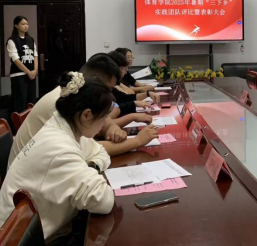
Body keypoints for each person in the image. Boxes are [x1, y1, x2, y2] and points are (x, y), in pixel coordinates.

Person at [0, 73, 115, 246]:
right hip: (17, 244)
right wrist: (89, 171)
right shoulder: (59, 147)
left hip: (33, 235)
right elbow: (103, 200)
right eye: (104, 117)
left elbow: (100, 152)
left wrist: (91, 167)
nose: (105, 123)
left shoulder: (65, 126)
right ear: (86, 115)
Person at [9, 54, 158, 165]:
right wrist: (137, 141)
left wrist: (112, 129)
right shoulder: (63, 101)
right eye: (106, 89)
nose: (108, 95)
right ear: (94, 80)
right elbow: (90, 148)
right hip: (30, 185)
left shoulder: (75, 94)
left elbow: (105, 123)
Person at [107, 51, 161, 115]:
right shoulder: (102, 89)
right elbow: (109, 118)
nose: (125, 72)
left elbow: (125, 97)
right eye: (124, 68)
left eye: (131, 57)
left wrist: (148, 94)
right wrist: (134, 114)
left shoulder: (114, 83)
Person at [7, 16, 38, 114]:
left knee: (31, 102)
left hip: (31, 75)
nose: (26, 26)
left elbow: (35, 56)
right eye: (23, 24)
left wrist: (35, 70)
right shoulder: (12, 40)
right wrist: (28, 72)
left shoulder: (31, 40)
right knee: (20, 102)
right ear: (16, 25)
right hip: (18, 75)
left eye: (27, 24)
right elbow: (15, 59)